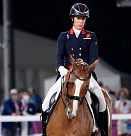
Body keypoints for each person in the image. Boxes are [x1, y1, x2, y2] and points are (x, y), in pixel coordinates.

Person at [42, 3, 108, 136]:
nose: (81, 21)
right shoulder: (64, 36)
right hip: (67, 74)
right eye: (78, 18)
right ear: (73, 18)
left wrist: (85, 66)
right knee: (45, 103)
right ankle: (45, 132)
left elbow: (93, 57)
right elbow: (59, 56)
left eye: (83, 19)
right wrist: (61, 68)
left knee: (101, 100)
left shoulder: (91, 36)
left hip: (85, 75)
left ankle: (101, 130)